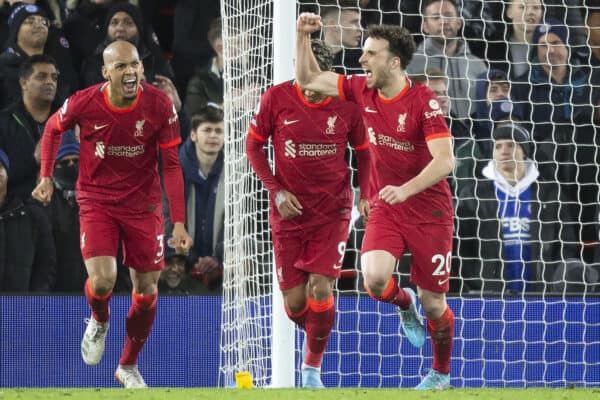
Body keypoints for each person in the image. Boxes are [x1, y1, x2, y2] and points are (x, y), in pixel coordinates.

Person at [296, 14, 455, 390]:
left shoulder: (423, 101)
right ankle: (404, 305)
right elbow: (308, 80)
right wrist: (302, 37)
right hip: (388, 206)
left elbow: (446, 160)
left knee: (436, 304)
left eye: (370, 54)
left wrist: (407, 189)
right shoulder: (360, 89)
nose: (361, 60)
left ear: (394, 62)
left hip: (430, 211)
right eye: (363, 53)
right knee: (375, 280)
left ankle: (440, 374)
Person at [31, 40, 192, 388]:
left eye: (134, 64)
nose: (130, 71)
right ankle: (99, 319)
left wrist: (178, 221)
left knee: (147, 291)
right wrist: (45, 176)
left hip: (143, 205)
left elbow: (173, 166)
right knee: (103, 281)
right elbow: (51, 130)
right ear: (106, 72)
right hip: (98, 200)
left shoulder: (160, 104)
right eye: (120, 66)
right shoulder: (84, 101)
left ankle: (128, 366)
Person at [246, 39, 371, 388]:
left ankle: (311, 370)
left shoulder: (347, 103)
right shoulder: (276, 98)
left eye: (318, 81)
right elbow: (253, 145)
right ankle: (321, 325)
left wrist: (367, 194)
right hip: (289, 212)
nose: (311, 90)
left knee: (321, 286)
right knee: (296, 304)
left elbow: (364, 152)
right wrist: (276, 190)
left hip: (333, 210)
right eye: (306, 79)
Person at [455, 123, 580, 293]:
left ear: (524, 151)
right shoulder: (473, 195)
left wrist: (554, 281)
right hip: (492, 295)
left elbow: (567, 244)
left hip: (542, 293)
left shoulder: (550, 193)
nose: (503, 150)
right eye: (498, 146)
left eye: (511, 144)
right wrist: (480, 283)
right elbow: (462, 248)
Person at [406, 0, 487, 122]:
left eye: (448, 15)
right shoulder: (410, 63)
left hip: (471, 136)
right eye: (436, 17)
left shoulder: (478, 64)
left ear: (459, 22)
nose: (444, 21)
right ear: (425, 26)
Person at [0, 54, 59, 201]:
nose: (50, 82)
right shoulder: (4, 122)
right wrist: (33, 160)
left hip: (64, 210)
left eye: (54, 77)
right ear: (24, 83)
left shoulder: (68, 120)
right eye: (41, 77)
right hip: (19, 210)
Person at [0, 147, 56, 292]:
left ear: (7, 173)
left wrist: (34, 302)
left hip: (23, 310)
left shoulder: (32, 217)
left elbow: (45, 267)